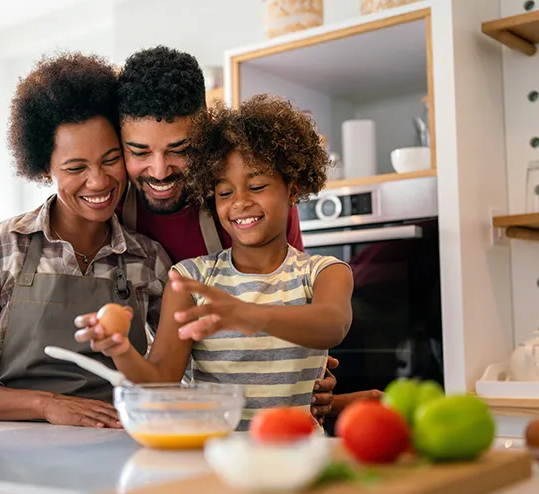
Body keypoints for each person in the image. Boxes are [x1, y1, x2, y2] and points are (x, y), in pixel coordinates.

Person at [0, 46, 339, 420]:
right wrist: (49, 404)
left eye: (178, 149)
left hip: (133, 431)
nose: (158, 171)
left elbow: (285, 312)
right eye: (138, 152)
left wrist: (311, 376)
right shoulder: (9, 245)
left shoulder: (178, 244)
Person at [74, 95, 353, 430]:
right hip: (214, 455)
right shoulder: (191, 278)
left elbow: (332, 325)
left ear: (292, 190)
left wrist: (249, 314)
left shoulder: (322, 272)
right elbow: (161, 380)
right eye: (224, 193)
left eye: (257, 186)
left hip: (296, 456)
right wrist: (120, 351)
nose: (240, 203)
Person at [0, 52, 171, 429]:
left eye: (110, 160)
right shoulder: (2, 247)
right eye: (76, 168)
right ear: (45, 169)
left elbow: (171, 377)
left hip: (118, 444)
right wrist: (46, 404)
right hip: (15, 448)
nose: (98, 182)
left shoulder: (149, 259)